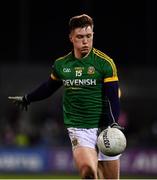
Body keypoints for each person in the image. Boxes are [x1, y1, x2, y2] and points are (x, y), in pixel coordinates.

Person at [8, 14, 124, 179]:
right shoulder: (62, 65)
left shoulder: (105, 63)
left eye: (89, 36)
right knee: (88, 173)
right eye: (80, 37)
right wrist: (28, 98)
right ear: (71, 37)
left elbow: (113, 97)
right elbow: (49, 87)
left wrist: (113, 124)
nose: (85, 41)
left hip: (106, 129)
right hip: (80, 129)